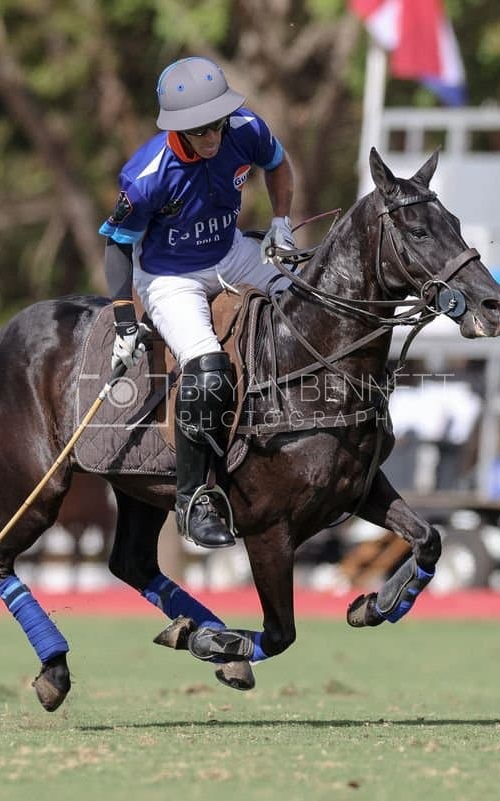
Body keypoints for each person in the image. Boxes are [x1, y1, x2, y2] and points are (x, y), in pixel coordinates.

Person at [98, 56, 296, 549]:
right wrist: (126, 323)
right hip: (169, 277)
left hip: (232, 253)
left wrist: (281, 222)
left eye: (217, 126)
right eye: (200, 130)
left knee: (305, 310)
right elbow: (118, 246)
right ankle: (193, 500)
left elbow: (278, 165)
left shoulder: (245, 129)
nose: (213, 138)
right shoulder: (146, 176)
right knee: (208, 370)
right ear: (178, 129)